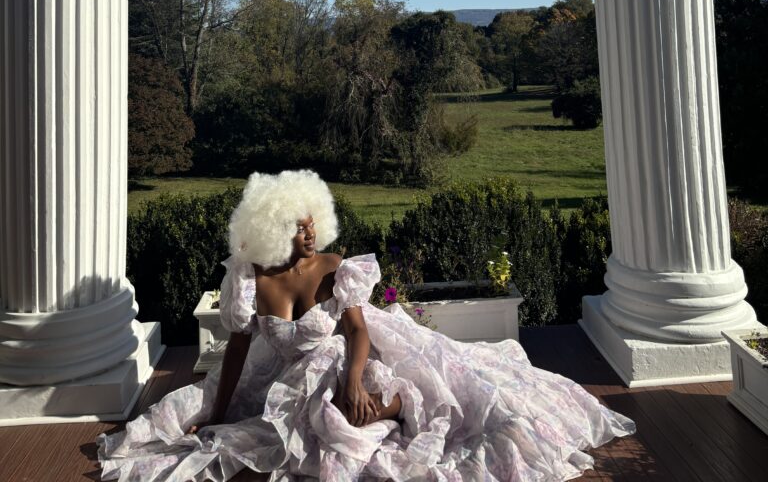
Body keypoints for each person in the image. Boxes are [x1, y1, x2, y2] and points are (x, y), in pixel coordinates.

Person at [99, 170, 634, 481]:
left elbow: (356, 332)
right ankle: (378, 407)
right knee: (206, 423)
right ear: (274, 228)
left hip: (348, 352)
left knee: (352, 413)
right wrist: (216, 413)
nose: (311, 235)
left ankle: (397, 402)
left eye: (314, 224)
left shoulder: (334, 270)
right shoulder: (252, 279)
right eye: (300, 227)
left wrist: (354, 378)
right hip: (283, 368)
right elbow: (238, 349)